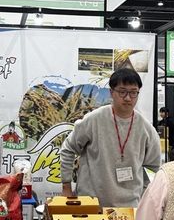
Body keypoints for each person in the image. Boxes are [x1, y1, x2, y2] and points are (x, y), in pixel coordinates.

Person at [59, 68, 161, 207]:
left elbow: (153, 167)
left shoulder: (147, 129)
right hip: (91, 204)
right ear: (111, 92)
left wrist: (143, 195)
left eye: (133, 92)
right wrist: (66, 186)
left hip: (129, 208)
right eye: (122, 92)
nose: (128, 98)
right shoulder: (94, 120)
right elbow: (68, 149)